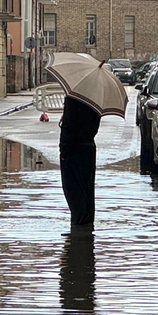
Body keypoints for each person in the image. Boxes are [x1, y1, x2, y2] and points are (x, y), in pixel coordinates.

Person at [59, 95, 101, 236]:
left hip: (74, 150)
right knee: (86, 191)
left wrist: (63, 150)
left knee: (74, 192)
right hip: (89, 148)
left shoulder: (74, 97)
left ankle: (78, 229)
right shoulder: (95, 97)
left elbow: (69, 126)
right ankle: (86, 227)